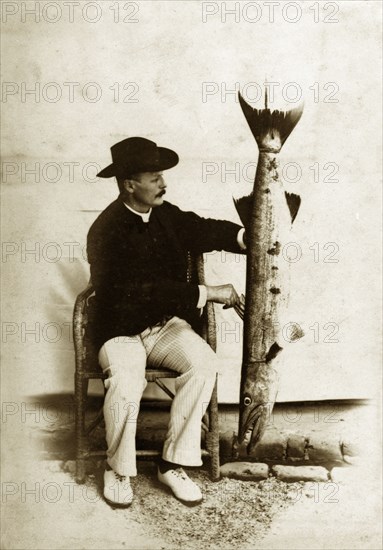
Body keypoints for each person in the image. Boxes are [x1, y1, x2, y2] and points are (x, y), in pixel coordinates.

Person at [87, 137, 246, 507]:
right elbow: (141, 289)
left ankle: (171, 463)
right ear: (130, 184)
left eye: (162, 176)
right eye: (155, 176)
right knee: (127, 379)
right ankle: (118, 469)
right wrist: (208, 293)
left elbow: (202, 228)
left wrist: (244, 237)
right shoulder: (105, 230)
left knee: (204, 364)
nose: (163, 183)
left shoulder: (163, 214)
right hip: (119, 330)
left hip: (163, 327)